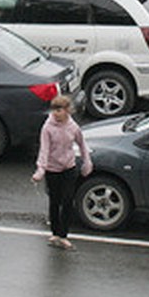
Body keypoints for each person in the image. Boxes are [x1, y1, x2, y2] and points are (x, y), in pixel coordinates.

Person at [31, 95, 92, 250]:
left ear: (67, 110)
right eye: (54, 110)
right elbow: (44, 150)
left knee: (67, 200)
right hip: (53, 169)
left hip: (69, 168)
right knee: (55, 201)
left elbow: (82, 144)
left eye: (59, 110)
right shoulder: (48, 128)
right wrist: (41, 169)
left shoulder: (73, 127)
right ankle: (55, 233)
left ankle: (63, 235)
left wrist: (87, 162)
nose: (56, 114)